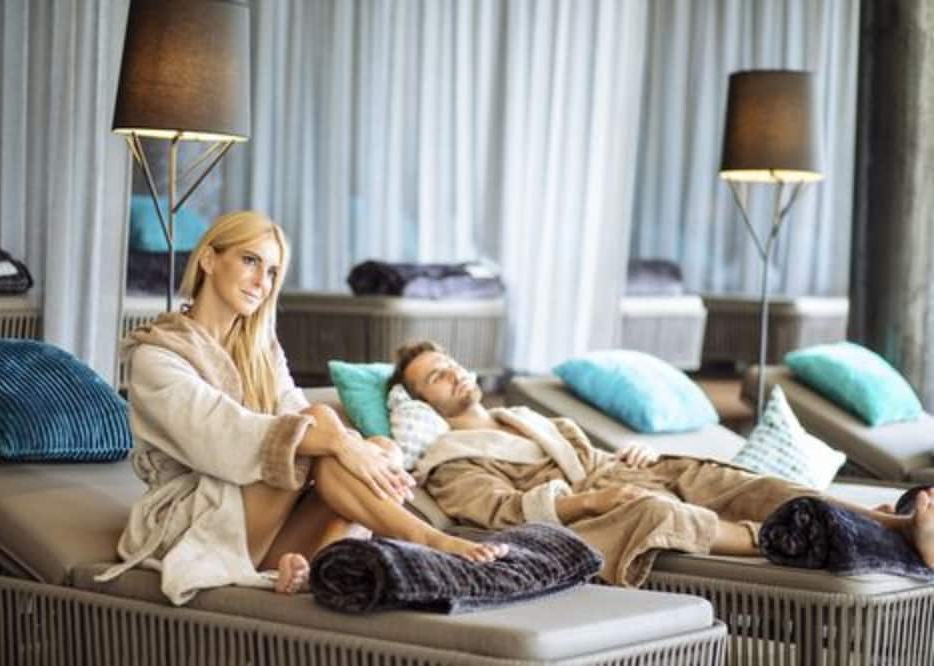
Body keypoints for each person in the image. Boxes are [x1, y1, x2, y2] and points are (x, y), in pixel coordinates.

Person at [97, 213, 505, 606]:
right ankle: (425, 539)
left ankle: (313, 569)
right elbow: (220, 436)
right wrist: (343, 443)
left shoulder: (261, 350)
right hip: (196, 524)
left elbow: (295, 410)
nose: (262, 281)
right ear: (208, 259)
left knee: (371, 444)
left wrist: (366, 450)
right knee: (320, 428)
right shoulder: (157, 356)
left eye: (273, 272)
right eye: (250, 261)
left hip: (261, 523)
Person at [387, 340, 934, 587]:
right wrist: (596, 498)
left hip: (623, 475)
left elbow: (591, 457)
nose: (453, 374)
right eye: (436, 376)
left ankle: (891, 524)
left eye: (451, 363)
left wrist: (633, 455)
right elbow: (503, 512)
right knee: (658, 513)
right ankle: (797, 537)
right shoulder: (449, 459)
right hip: (588, 515)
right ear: (422, 403)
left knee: (738, 479)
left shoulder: (525, 417)